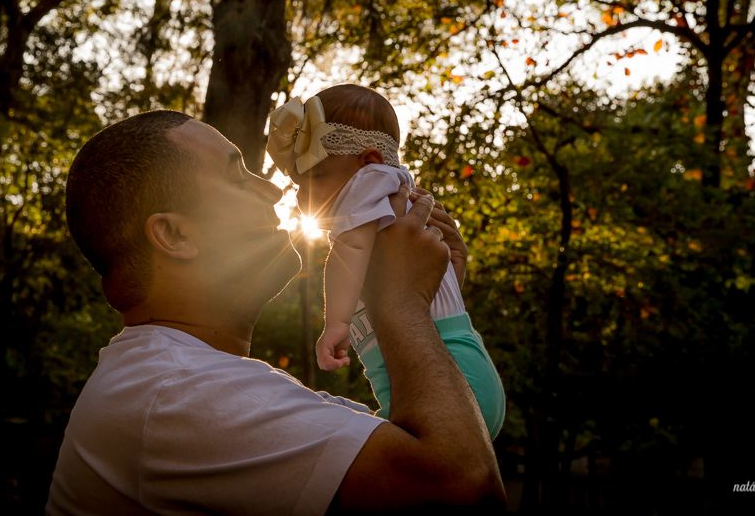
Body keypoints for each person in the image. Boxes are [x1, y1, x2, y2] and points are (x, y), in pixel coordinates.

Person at [47, 110, 505, 514]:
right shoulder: (177, 394)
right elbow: (463, 487)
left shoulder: (175, 379)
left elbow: (430, 438)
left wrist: (436, 305)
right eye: (237, 175)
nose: (270, 188)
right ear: (174, 235)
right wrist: (405, 303)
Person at [267, 85, 505, 440]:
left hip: (445, 370)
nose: (303, 197)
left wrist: (336, 323)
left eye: (317, 177)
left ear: (369, 161)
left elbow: (350, 249)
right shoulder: (387, 201)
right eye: (299, 183)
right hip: (456, 364)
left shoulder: (372, 182)